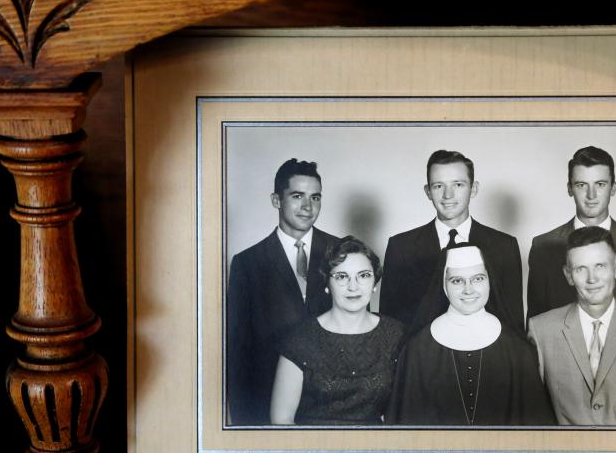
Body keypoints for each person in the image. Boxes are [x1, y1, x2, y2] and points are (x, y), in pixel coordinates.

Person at [387, 243, 555, 426]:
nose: (469, 290)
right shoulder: (417, 350)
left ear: (489, 281)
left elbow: (535, 426)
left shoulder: (516, 349)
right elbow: (405, 426)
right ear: (444, 285)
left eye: (478, 279)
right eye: (457, 281)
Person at [226, 159, 339, 426]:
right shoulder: (247, 263)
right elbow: (238, 350)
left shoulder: (342, 252)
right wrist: (245, 423)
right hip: (267, 402)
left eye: (315, 197)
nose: (308, 207)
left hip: (333, 404)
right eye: (297, 196)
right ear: (276, 200)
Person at [528, 226, 616, 426]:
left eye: (600, 266)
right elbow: (535, 417)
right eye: (581, 269)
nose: (592, 279)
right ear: (568, 275)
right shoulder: (541, 330)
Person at [380, 149, 524, 331]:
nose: (448, 195)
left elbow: (514, 321)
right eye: (438, 186)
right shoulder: (401, 247)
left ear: (474, 189)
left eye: (458, 184)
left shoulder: (504, 246)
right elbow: (389, 324)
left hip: (486, 356)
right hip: (422, 356)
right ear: (428, 192)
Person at [270, 237, 404, 425]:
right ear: (327, 284)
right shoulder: (299, 338)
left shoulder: (396, 334)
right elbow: (281, 420)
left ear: (375, 283)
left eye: (363, 275)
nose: (353, 286)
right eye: (341, 277)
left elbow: (402, 413)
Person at [527, 145, 616, 319]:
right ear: (569, 189)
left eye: (600, 184)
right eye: (582, 185)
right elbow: (535, 323)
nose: (591, 195)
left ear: (613, 188)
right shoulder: (542, 247)